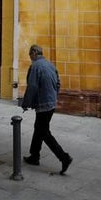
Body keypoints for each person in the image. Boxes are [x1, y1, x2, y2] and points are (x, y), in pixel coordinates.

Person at [20, 44, 72, 174]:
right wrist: (53, 95)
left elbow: (32, 86)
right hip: (51, 103)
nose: (30, 57)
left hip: (43, 104)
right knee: (39, 128)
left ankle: (64, 157)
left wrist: (26, 103)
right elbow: (58, 83)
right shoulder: (50, 65)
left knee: (44, 132)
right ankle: (34, 156)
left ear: (33, 53)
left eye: (30, 55)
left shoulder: (35, 66)